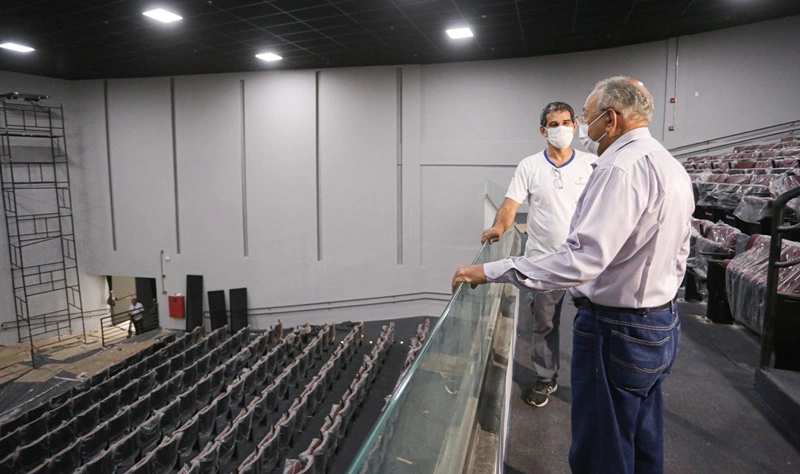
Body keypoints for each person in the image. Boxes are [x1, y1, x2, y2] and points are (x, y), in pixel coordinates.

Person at [452, 76, 694, 473]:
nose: (579, 127)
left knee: (602, 445)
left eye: (584, 117)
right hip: (660, 321)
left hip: (616, 327)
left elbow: (581, 261)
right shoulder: (668, 163)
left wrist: (491, 269)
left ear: (610, 119)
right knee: (640, 437)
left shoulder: (617, 167)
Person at [481, 101, 595, 407]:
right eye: (554, 124)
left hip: (586, 260)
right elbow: (509, 205)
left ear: (576, 125)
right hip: (544, 260)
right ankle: (546, 378)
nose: (561, 129)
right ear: (543, 130)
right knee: (544, 324)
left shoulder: (591, 163)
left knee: (596, 322)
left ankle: (596, 383)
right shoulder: (529, 166)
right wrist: (500, 227)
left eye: (566, 122)